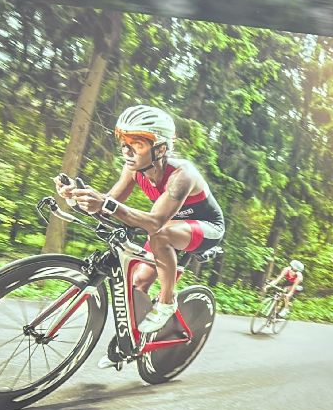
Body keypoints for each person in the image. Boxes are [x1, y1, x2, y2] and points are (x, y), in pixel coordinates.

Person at [57, 105, 225, 365]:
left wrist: (105, 204)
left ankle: (167, 301)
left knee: (161, 235)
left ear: (160, 148)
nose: (127, 151)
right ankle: (134, 343)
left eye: (137, 144)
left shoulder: (182, 174)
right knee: (137, 282)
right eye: (124, 143)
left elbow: (156, 222)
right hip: (169, 228)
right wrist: (79, 199)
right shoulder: (133, 169)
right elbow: (110, 204)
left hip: (204, 226)